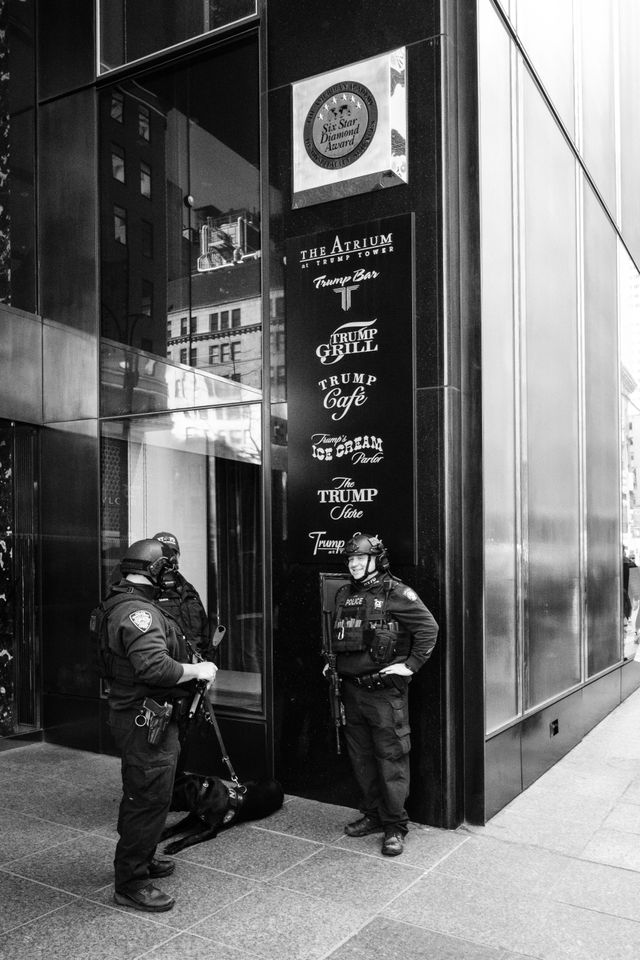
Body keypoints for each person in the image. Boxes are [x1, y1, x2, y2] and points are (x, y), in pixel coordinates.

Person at [104, 538, 216, 913]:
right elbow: (154, 667)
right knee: (147, 797)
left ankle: (142, 858)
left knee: (146, 793)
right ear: (156, 570)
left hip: (141, 714)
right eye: (168, 568)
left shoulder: (124, 602)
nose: (173, 575)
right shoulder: (140, 613)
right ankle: (131, 881)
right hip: (145, 717)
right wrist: (197, 669)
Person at [325, 531, 438, 857]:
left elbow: (428, 628)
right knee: (362, 759)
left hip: (384, 694)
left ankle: (394, 826)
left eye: (361, 558)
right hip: (351, 691)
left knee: (391, 759)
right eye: (351, 559)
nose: (355, 563)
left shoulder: (396, 592)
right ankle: (373, 815)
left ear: (376, 559)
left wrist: (411, 665)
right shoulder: (346, 593)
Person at [152, 531, 211, 659]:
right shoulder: (148, 590)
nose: (170, 558)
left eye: (173, 553)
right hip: (167, 669)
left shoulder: (188, 590)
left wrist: (206, 659)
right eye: (165, 553)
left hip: (195, 669)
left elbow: (205, 633)